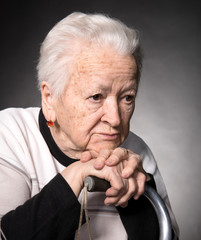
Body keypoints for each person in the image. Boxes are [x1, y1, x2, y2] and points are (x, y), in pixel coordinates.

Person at [0, 12, 179, 240]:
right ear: (49, 98)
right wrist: (76, 175)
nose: (115, 119)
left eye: (127, 97)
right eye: (96, 96)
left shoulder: (136, 152)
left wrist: (139, 195)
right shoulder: (9, 135)